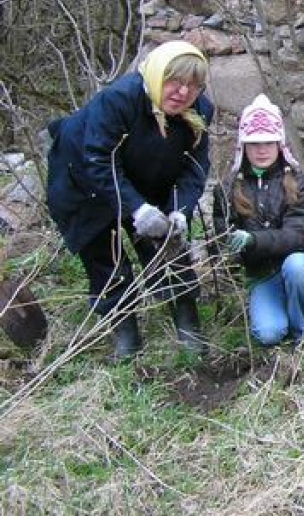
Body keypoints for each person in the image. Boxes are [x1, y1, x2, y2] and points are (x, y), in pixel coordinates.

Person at [46, 41, 214, 359]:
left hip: (145, 173)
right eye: (174, 81)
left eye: (193, 85)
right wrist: (137, 208)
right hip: (82, 180)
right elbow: (99, 159)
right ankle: (126, 332)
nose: (182, 92)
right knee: (106, 255)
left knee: (167, 243)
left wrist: (179, 211)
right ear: (156, 76)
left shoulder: (199, 113)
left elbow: (194, 169)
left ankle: (187, 322)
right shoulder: (119, 101)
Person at [213, 94, 304, 347]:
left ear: (279, 144)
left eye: (269, 142)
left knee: (297, 266)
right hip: (260, 274)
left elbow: (300, 235)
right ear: (243, 146)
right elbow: (222, 238)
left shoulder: (298, 182)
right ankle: (274, 305)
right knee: (269, 334)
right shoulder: (226, 188)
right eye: (254, 143)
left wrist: (253, 240)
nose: (261, 150)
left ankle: (300, 329)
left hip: (294, 264)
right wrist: (229, 248)